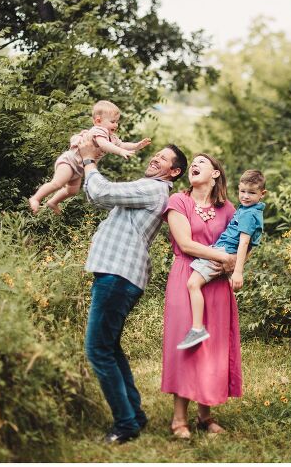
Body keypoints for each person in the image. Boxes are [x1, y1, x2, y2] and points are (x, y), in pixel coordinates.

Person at [78, 134, 187, 444]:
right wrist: (91, 167)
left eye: (164, 159)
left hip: (118, 275)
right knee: (109, 347)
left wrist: (88, 160)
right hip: (119, 275)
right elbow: (94, 194)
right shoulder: (149, 189)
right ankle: (134, 415)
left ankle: (125, 424)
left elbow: (101, 192)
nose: (155, 159)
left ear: (174, 172)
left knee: (97, 349)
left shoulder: (152, 189)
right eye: (156, 155)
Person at [161, 154, 242, 439]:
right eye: (192, 163)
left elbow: (242, 240)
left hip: (217, 283)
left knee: (214, 347)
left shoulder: (229, 208)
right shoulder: (179, 202)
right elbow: (185, 243)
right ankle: (179, 419)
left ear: (216, 173)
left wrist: (235, 264)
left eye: (201, 162)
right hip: (186, 277)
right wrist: (222, 256)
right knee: (188, 344)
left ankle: (205, 416)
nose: (194, 165)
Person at [177, 169, 266, 349]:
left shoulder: (249, 214)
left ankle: (197, 328)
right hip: (221, 250)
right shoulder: (248, 210)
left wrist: (238, 272)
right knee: (194, 283)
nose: (246, 196)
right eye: (243, 191)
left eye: (252, 192)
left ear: (262, 194)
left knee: (193, 284)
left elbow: (245, 243)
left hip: (223, 252)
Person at [28, 100, 152, 214]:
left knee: (72, 191)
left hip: (79, 168)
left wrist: (137, 146)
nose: (116, 125)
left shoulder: (112, 137)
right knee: (57, 183)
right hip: (70, 162)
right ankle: (36, 198)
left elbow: (123, 144)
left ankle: (53, 202)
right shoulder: (98, 131)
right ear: (98, 121)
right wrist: (119, 152)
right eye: (113, 122)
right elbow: (104, 144)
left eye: (117, 121)